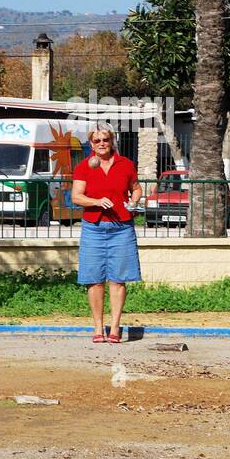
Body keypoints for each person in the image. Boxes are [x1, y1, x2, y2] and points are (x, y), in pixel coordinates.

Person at [71, 126, 142, 344]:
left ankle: (115, 328)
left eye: (105, 139)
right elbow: (76, 197)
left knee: (118, 279)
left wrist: (134, 201)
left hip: (122, 228)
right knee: (94, 280)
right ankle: (98, 328)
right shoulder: (84, 167)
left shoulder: (126, 165)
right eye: (96, 140)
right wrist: (96, 202)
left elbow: (136, 188)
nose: (101, 143)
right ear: (91, 144)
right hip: (94, 228)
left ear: (112, 141)